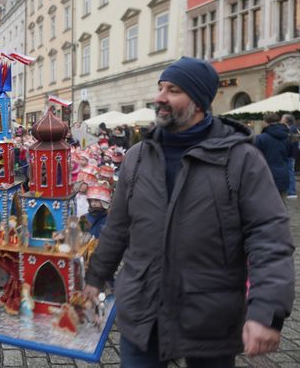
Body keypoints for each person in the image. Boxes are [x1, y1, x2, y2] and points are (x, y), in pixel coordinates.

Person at [83, 57, 294, 367]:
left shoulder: (241, 158)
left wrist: (267, 311)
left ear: (198, 101)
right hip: (143, 308)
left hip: (209, 314)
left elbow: (270, 238)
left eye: (173, 90)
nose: (160, 97)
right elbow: (117, 227)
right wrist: (95, 277)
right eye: (160, 88)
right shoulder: (138, 157)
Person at [255, 112, 291, 197]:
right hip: (283, 174)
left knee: (267, 205)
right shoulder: (286, 137)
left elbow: (255, 157)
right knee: (281, 206)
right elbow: (289, 154)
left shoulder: (260, 138)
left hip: (266, 175)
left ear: (265, 122)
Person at [282, 113, 299, 199]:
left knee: (290, 172)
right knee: (290, 172)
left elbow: (291, 143)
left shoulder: (290, 129)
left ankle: (292, 191)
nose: (281, 120)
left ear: (286, 120)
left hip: (290, 154)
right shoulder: (294, 128)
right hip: (292, 154)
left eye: (282, 118)